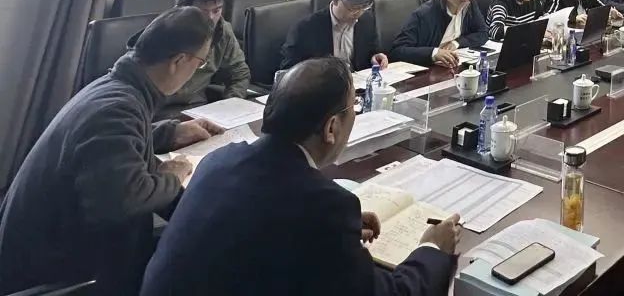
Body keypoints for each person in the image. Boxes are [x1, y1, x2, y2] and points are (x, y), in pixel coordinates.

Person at [140, 58, 460, 296]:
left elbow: (265, 226)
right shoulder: (324, 207)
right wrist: (432, 248)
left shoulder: (219, 160)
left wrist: (338, 233)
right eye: (353, 107)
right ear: (331, 128)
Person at [0, 8, 220, 295]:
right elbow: (123, 201)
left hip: (43, 244)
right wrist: (172, 175)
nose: (197, 71)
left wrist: (169, 133)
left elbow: (104, 145)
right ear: (178, 61)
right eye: (200, 63)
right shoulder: (117, 108)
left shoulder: (117, 88)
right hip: (51, 271)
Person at [145, 0, 250, 119]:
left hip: (197, 108)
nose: (210, 18)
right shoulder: (162, 33)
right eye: (202, 11)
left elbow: (239, 73)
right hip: (156, 112)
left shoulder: (222, 31)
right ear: (182, 9)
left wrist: (229, 106)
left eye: (216, 10)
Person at [390, 0, 487, 68]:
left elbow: (483, 33)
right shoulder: (424, 14)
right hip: (428, 71)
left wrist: (457, 43)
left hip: (453, 67)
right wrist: (434, 53)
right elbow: (397, 51)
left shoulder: (469, 4)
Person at [280, 0, 386, 72]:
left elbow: (371, 50)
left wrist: (375, 57)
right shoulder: (305, 29)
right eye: (353, 7)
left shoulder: (367, 20)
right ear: (335, 0)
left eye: (364, 6)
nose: (358, 13)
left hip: (358, 82)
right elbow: (289, 72)